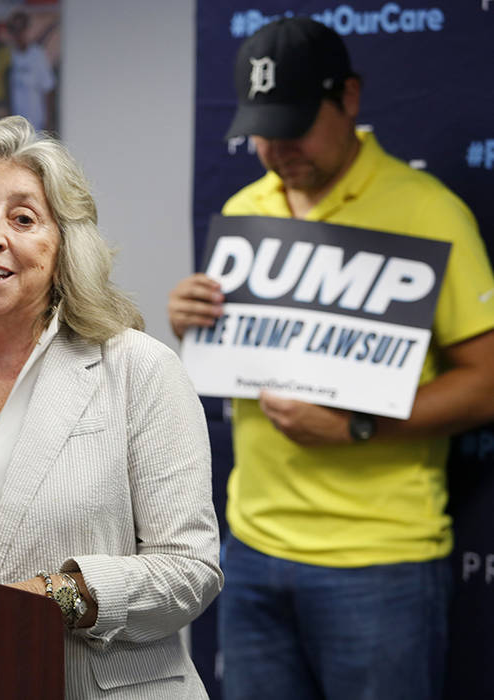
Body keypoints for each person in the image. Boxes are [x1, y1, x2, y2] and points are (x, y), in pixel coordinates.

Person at [166, 17, 494, 700]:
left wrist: (358, 425)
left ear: (348, 98)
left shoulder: (427, 212)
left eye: (295, 123)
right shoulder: (244, 208)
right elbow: (236, 355)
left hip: (381, 562)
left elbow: (486, 384)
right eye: (263, 127)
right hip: (251, 551)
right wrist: (190, 319)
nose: (277, 147)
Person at [0, 116, 222, 698]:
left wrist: (60, 596)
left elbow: (190, 570)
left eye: (23, 219)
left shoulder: (139, 370)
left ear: (63, 248)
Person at [7, 11, 55, 132]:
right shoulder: (10, 55)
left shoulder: (37, 55)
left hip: (37, 124)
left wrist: (48, 121)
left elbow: (48, 88)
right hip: (17, 125)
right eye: (13, 29)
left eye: (21, 28)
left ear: (27, 29)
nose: (18, 33)